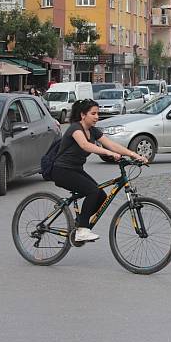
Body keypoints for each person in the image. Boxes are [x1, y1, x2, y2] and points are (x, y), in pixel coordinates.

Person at [51, 99, 148, 241]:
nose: (97, 116)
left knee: (101, 196)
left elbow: (111, 144)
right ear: (83, 115)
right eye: (93, 113)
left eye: (98, 113)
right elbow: (85, 145)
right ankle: (82, 230)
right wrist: (107, 153)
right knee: (92, 191)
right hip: (62, 170)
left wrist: (134, 155)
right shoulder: (75, 128)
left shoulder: (92, 130)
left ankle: (80, 225)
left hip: (76, 170)